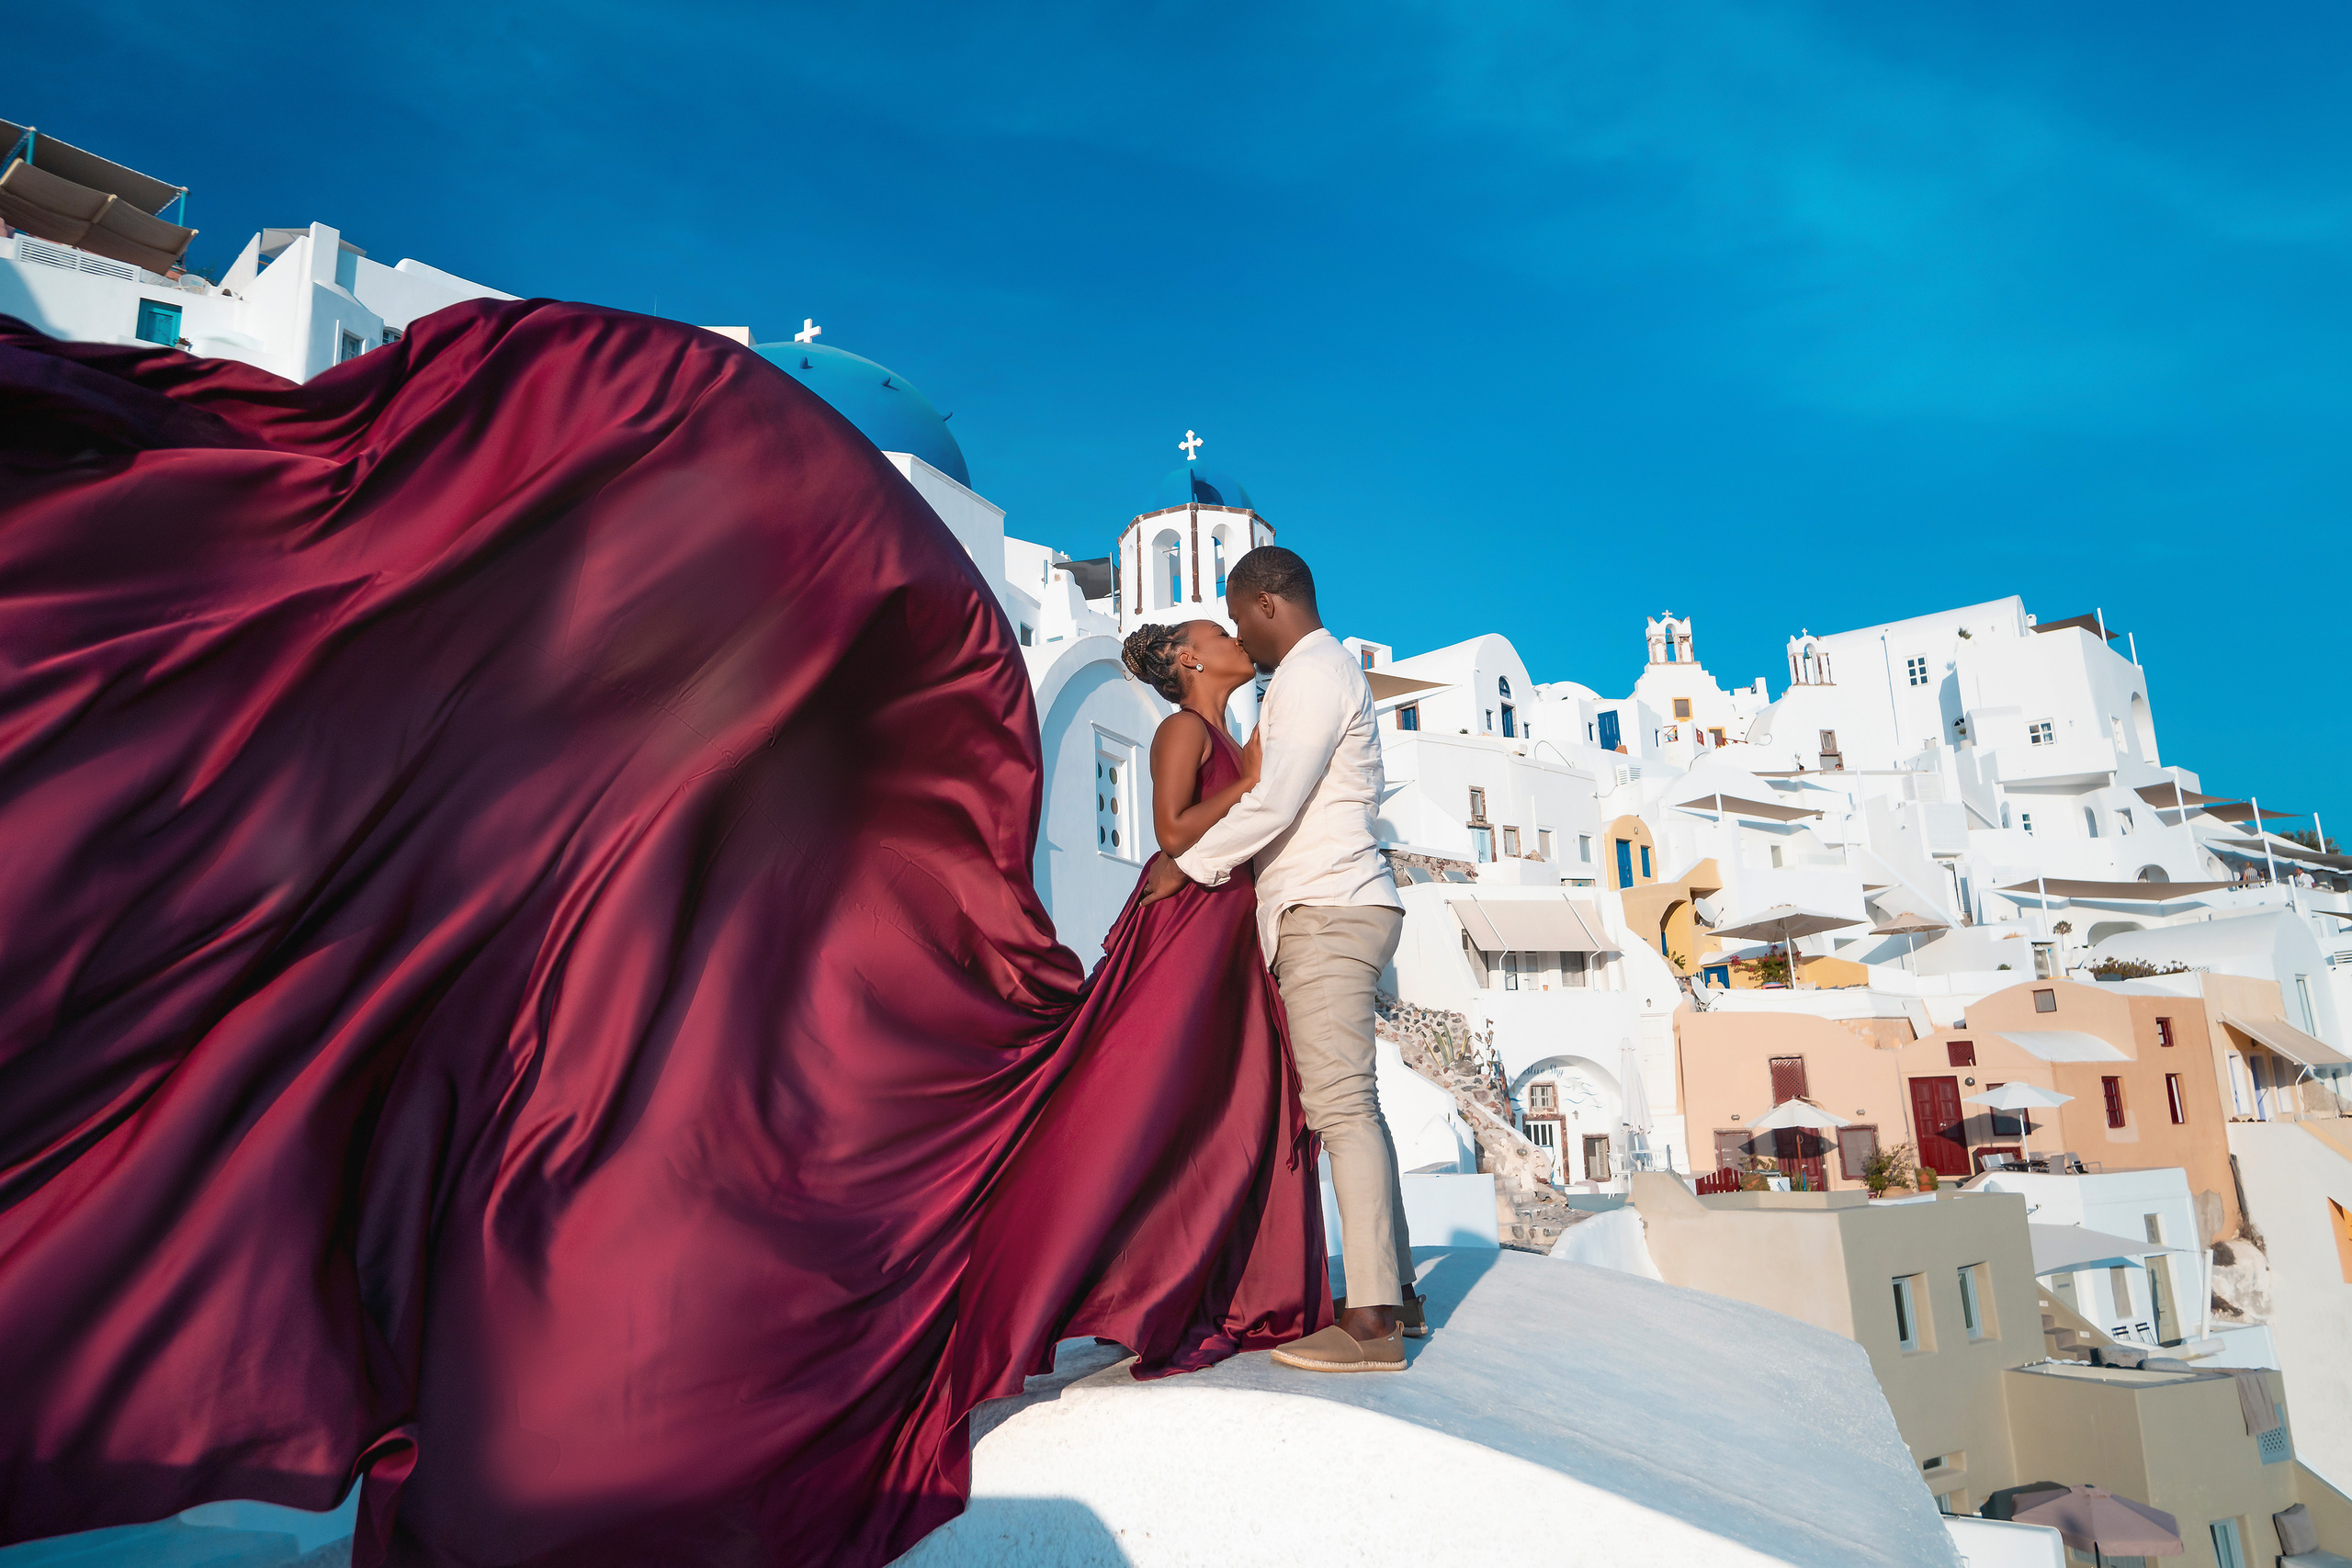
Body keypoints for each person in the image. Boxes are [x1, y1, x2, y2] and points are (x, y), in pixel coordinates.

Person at [1140, 545, 1419, 1373]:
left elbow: (1274, 796)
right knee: (1355, 1105)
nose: (1236, 632)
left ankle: (1371, 1324)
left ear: (1266, 602)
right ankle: (1395, 1292)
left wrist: (1187, 863)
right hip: (1348, 900)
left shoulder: (1306, 673)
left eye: (1235, 615)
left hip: (1327, 907)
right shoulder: (1321, 672)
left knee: (1340, 1109)